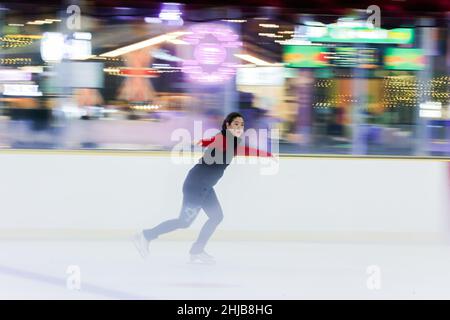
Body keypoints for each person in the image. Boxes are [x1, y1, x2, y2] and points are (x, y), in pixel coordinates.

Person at [133, 112, 273, 264]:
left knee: (216, 216)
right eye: (236, 124)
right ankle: (146, 236)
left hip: (204, 187)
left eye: (242, 125)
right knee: (184, 222)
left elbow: (217, 142)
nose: (239, 127)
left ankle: (197, 250)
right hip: (196, 186)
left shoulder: (229, 140)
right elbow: (230, 146)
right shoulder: (226, 140)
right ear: (228, 125)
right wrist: (264, 154)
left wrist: (203, 142)